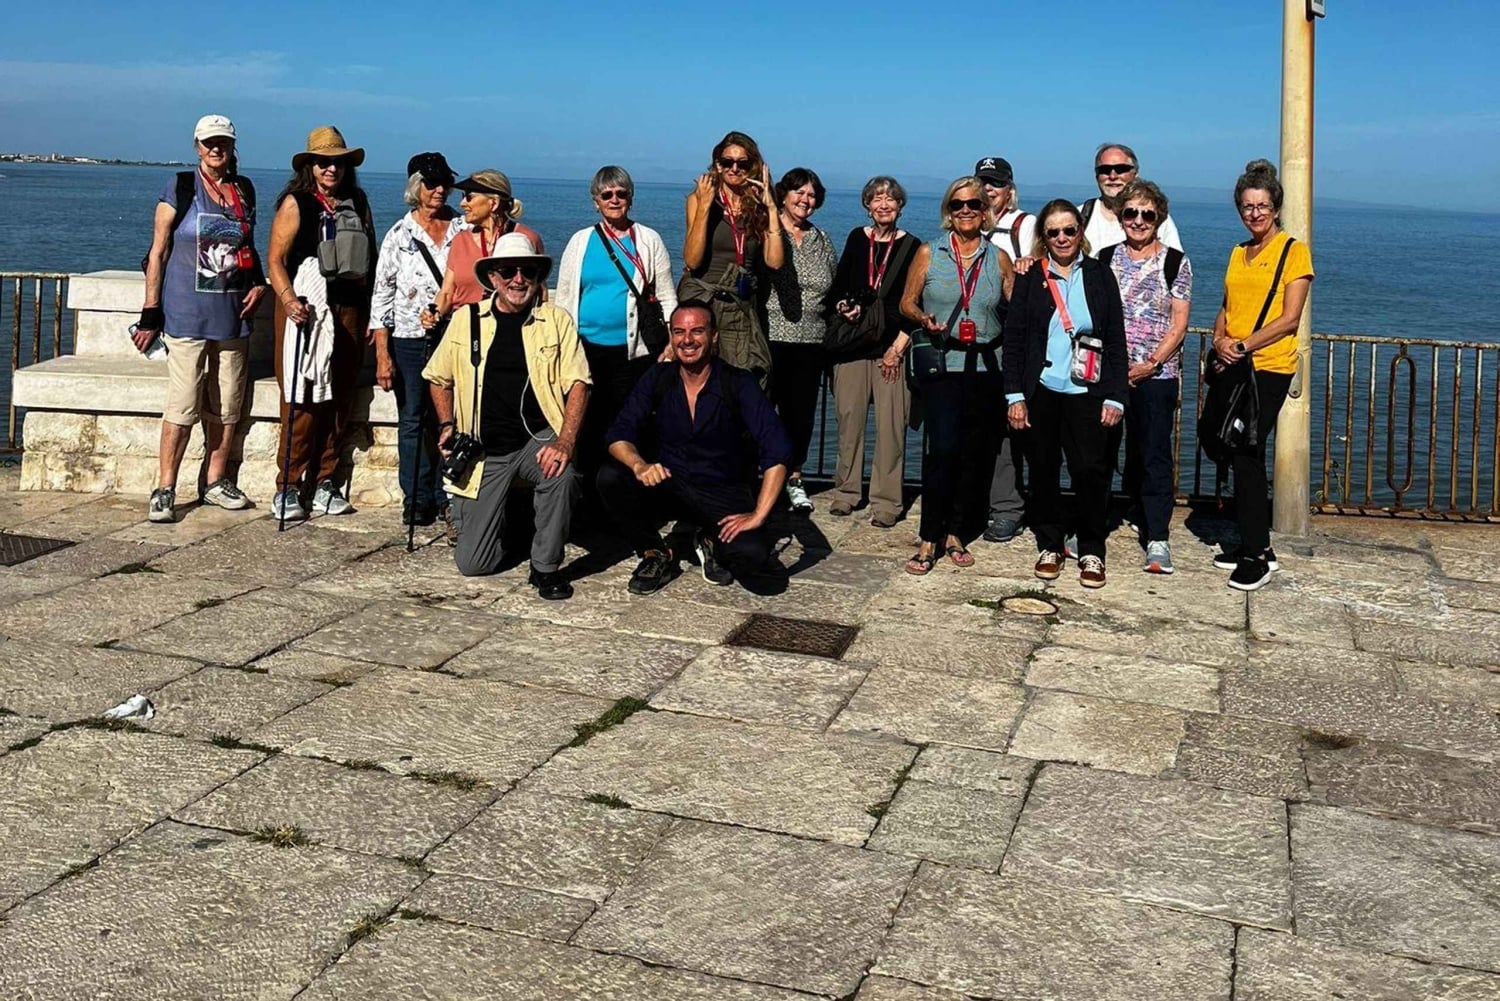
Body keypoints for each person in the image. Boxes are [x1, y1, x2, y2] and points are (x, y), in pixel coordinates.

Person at [421, 233, 590, 601]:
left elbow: (578, 382)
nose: (518, 279)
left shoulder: (555, 321)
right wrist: (447, 425)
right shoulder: (467, 320)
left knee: (561, 473)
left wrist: (564, 441)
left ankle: (545, 567)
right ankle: (511, 527)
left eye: (527, 271)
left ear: (537, 276)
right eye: (508, 270)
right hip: (483, 450)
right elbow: (438, 377)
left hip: (536, 437)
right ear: (493, 278)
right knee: (473, 564)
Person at [599, 300, 791, 595]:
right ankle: (655, 553)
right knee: (611, 477)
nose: (687, 340)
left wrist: (759, 514)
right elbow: (618, 433)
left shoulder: (738, 383)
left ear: (714, 335)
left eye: (697, 331)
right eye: (679, 332)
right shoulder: (658, 378)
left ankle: (707, 538)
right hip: (671, 484)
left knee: (753, 562)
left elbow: (776, 450)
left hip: (721, 490)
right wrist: (639, 465)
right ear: (671, 337)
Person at [134, 114, 264, 523]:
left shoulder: (244, 189)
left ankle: (215, 481)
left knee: (227, 405)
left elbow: (248, 246)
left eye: (222, 142)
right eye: (208, 142)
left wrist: (258, 282)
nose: (215, 149)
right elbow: (157, 251)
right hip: (186, 316)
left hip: (232, 318)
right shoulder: (181, 186)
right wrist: (150, 313)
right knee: (184, 404)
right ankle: (165, 487)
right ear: (196, 146)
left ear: (232, 146)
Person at [1004, 199, 1128, 588]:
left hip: (1087, 390)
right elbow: (1015, 341)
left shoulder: (1100, 276)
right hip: (1041, 390)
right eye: (1053, 231)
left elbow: (1116, 341)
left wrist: (1115, 396)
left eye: (1069, 230)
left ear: (1080, 233)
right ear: (1044, 236)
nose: (1062, 238)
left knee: (1090, 471)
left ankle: (1092, 549)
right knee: (1042, 470)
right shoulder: (1030, 278)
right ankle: (1050, 542)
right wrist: (1014, 396)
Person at [899, 177, 1013, 575]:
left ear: (986, 213)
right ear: (949, 211)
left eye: (975, 205)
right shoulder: (931, 252)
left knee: (973, 456)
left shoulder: (997, 258)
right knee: (942, 450)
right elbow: (906, 302)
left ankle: (957, 533)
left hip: (986, 369)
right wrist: (923, 319)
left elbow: (1016, 309)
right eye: (959, 205)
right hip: (943, 367)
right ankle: (930, 535)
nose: (967, 211)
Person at [1209, 159, 1314, 591]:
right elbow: (1227, 307)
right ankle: (1256, 543)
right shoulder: (1238, 252)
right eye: (1248, 206)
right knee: (1227, 448)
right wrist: (1219, 340)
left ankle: (1256, 555)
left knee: (1248, 454)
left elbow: (1290, 319)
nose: (1255, 213)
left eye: (1263, 205)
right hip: (1234, 362)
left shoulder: (1294, 252)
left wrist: (1241, 346)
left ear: (1276, 208)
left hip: (1267, 368)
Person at [264, 125, 376, 522]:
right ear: (310, 166)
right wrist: (289, 300)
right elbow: (275, 259)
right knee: (301, 396)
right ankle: (289, 484)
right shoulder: (296, 204)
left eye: (338, 163)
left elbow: (371, 261)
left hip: (349, 310)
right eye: (324, 162)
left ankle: (326, 480)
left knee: (339, 396)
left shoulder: (358, 201)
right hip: (306, 310)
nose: (332, 169)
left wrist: (371, 315)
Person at [553, 165, 677, 477]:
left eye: (621, 193)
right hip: (586, 349)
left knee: (630, 420)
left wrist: (674, 340)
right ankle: (592, 491)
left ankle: (626, 484)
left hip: (633, 352)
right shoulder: (580, 241)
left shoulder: (649, 240)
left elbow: (666, 294)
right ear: (596, 201)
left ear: (630, 198)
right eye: (606, 194)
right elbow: (566, 297)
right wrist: (562, 346)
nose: (614, 199)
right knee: (589, 420)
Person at [1097, 179, 1192, 574]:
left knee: (1153, 455)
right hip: (1108, 375)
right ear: (1120, 217)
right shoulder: (1103, 259)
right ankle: (1091, 525)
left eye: (1147, 214)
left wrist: (1151, 363)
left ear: (1159, 218)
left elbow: (1179, 322)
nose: (1138, 221)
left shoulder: (1175, 262)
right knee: (1099, 453)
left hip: (1157, 375)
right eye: (1131, 212)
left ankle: (1157, 537)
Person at [369, 152, 465, 528]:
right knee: (412, 418)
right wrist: (382, 354)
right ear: (416, 188)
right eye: (431, 183)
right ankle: (416, 496)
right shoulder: (399, 235)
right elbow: (382, 296)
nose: (440, 190)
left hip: (455, 335)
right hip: (409, 338)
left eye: (444, 182)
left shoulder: (463, 229)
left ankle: (447, 493)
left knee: (450, 418)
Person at [825, 176, 922, 527]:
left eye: (890, 199)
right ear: (867, 205)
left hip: (890, 348)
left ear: (900, 206)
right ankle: (846, 492)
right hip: (852, 346)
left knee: (890, 428)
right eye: (876, 199)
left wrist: (897, 349)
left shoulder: (914, 247)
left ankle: (886, 502)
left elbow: (916, 304)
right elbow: (838, 285)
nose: (883, 205)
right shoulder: (855, 238)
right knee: (848, 422)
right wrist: (842, 306)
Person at [680, 131, 784, 383]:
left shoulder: (759, 204)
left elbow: (775, 262)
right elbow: (692, 260)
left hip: (739, 303)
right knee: (699, 379)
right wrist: (705, 206)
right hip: (704, 299)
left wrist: (771, 208)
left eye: (742, 163)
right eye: (727, 162)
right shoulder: (700, 199)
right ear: (717, 164)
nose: (734, 169)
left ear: (753, 166)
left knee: (742, 379)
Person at [764, 167, 837, 514]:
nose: (805, 200)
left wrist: (843, 306)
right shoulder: (767, 229)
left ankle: (793, 479)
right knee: (762, 413)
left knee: (800, 417)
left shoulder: (821, 239)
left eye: (811, 195)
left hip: (811, 342)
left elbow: (833, 287)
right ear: (783, 194)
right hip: (769, 336)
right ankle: (761, 479)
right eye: (799, 192)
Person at [975, 155, 1031, 543]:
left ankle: (1009, 507)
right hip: (979, 345)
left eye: (995, 183)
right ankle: (984, 501)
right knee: (982, 426)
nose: (988, 190)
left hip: (1015, 343)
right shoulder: (970, 225)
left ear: (1010, 189)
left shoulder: (1023, 226)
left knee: (1013, 429)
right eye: (983, 183)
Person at [431, 170, 544, 323]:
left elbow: (540, 292)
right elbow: (446, 293)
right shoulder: (460, 241)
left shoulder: (526, 239)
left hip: (513, 329)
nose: (462, 203)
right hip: (466, 329)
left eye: (469, 197)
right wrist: (434, 313)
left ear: (493, 203)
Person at [1080, 143, 1183, 253]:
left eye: (1120, 169)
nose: (1113, 176)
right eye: (1105, 170)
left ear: (1135, 174)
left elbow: (1175, 263)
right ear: (1096, 176)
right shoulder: (1079, 216)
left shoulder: (1155, 218)